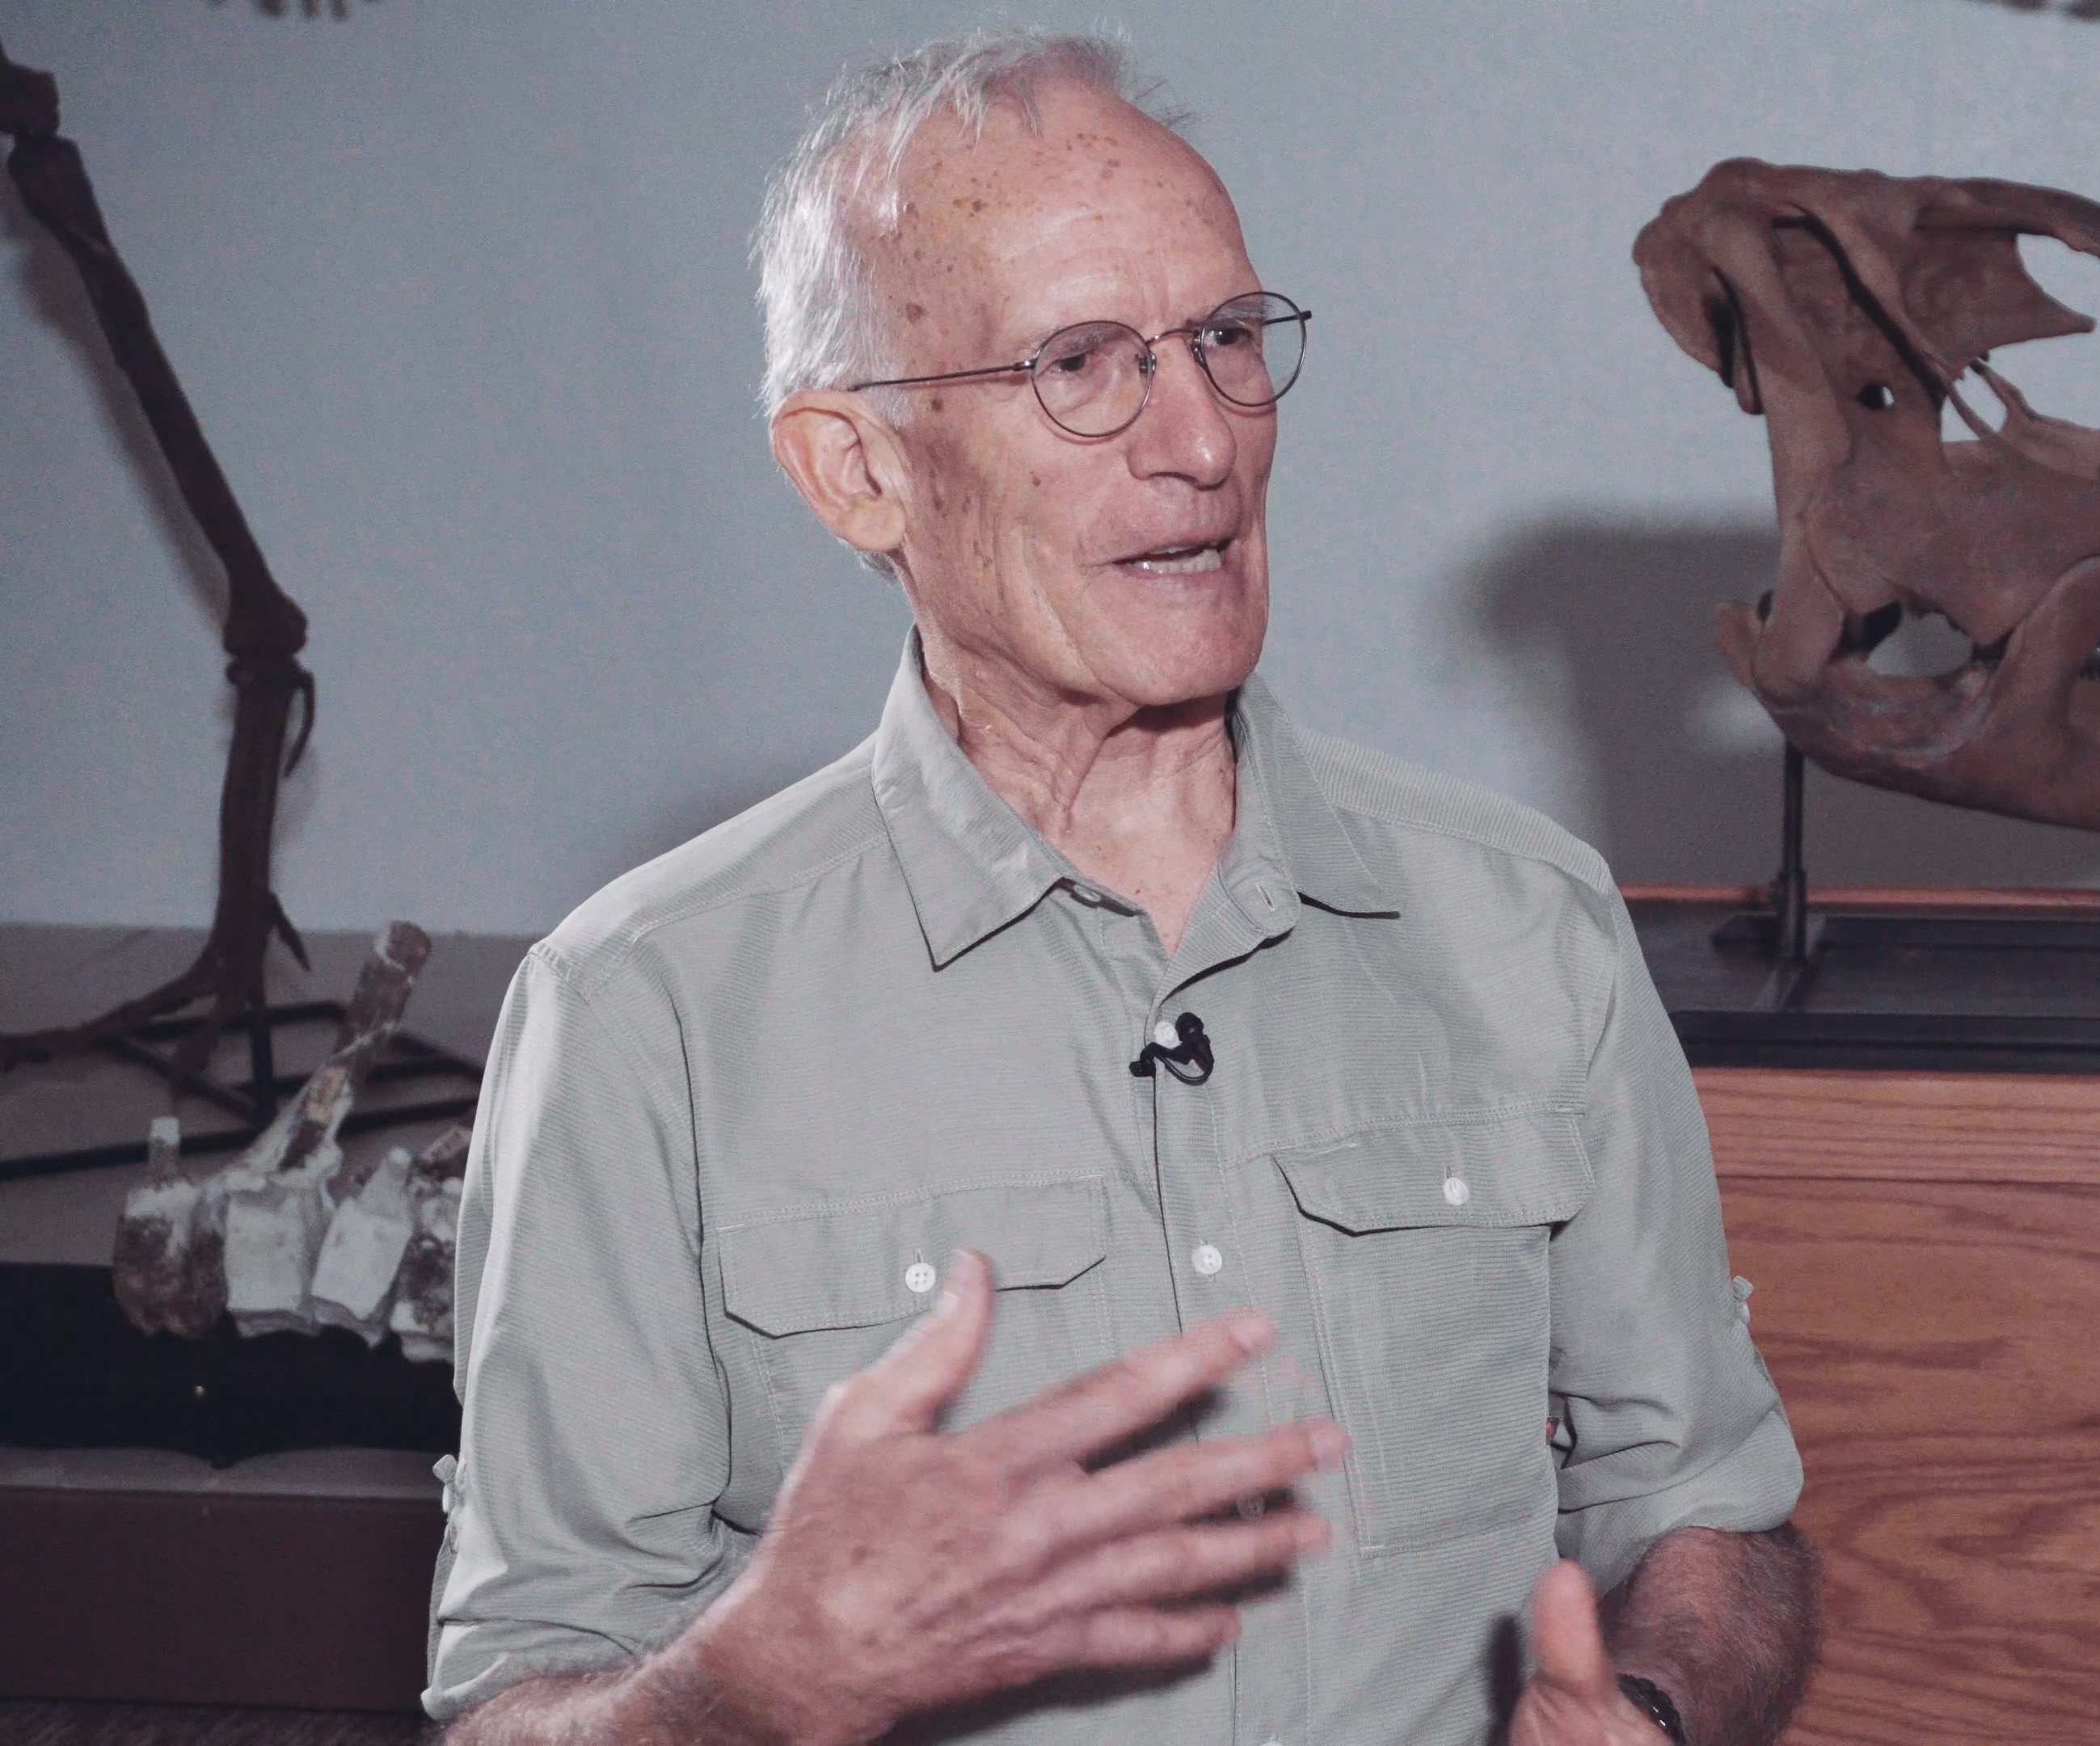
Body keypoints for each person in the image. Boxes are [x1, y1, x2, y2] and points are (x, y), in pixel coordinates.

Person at [427, 27, 1817, 1745]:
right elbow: (515, 1700)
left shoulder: (1525, 919)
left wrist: (1661, 1706)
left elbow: (1708, 1511)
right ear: (853, 468)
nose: (1205, 441)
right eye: (1079, 363)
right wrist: (745, 1688)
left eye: (1227, 339)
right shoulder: (644, 1009)